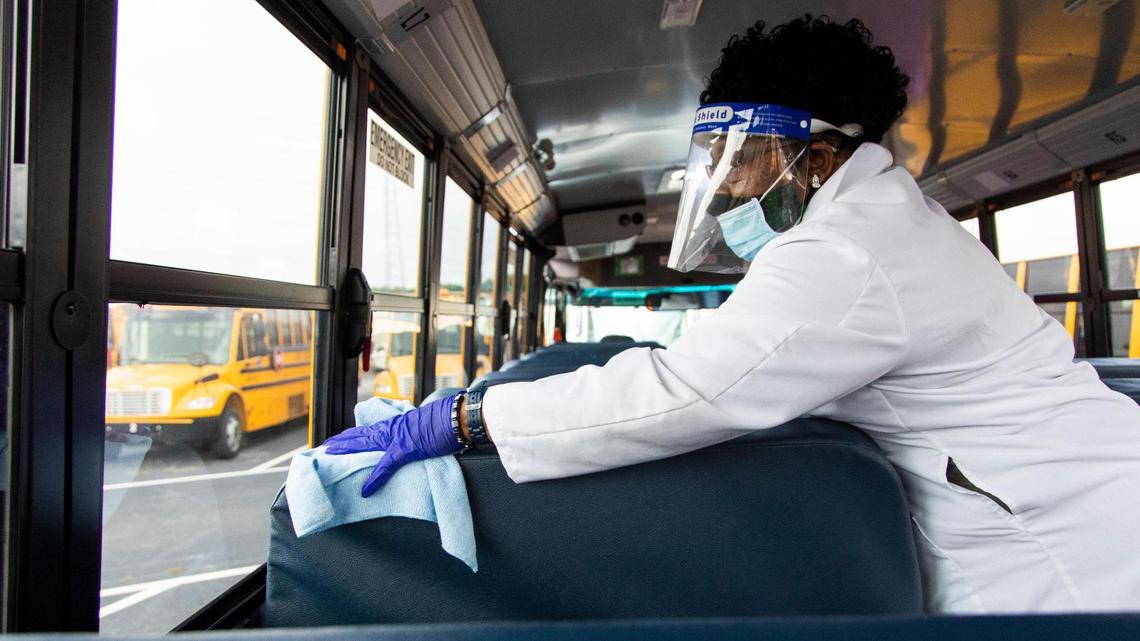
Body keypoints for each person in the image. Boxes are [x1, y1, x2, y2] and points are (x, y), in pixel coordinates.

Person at [325, 16, 1140, 614]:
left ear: (815, 158)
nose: (724, 181)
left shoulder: (850, 251)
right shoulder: (868, 226)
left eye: (739, 157)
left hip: (1070, 547)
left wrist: (469, 417)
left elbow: (687, 389)